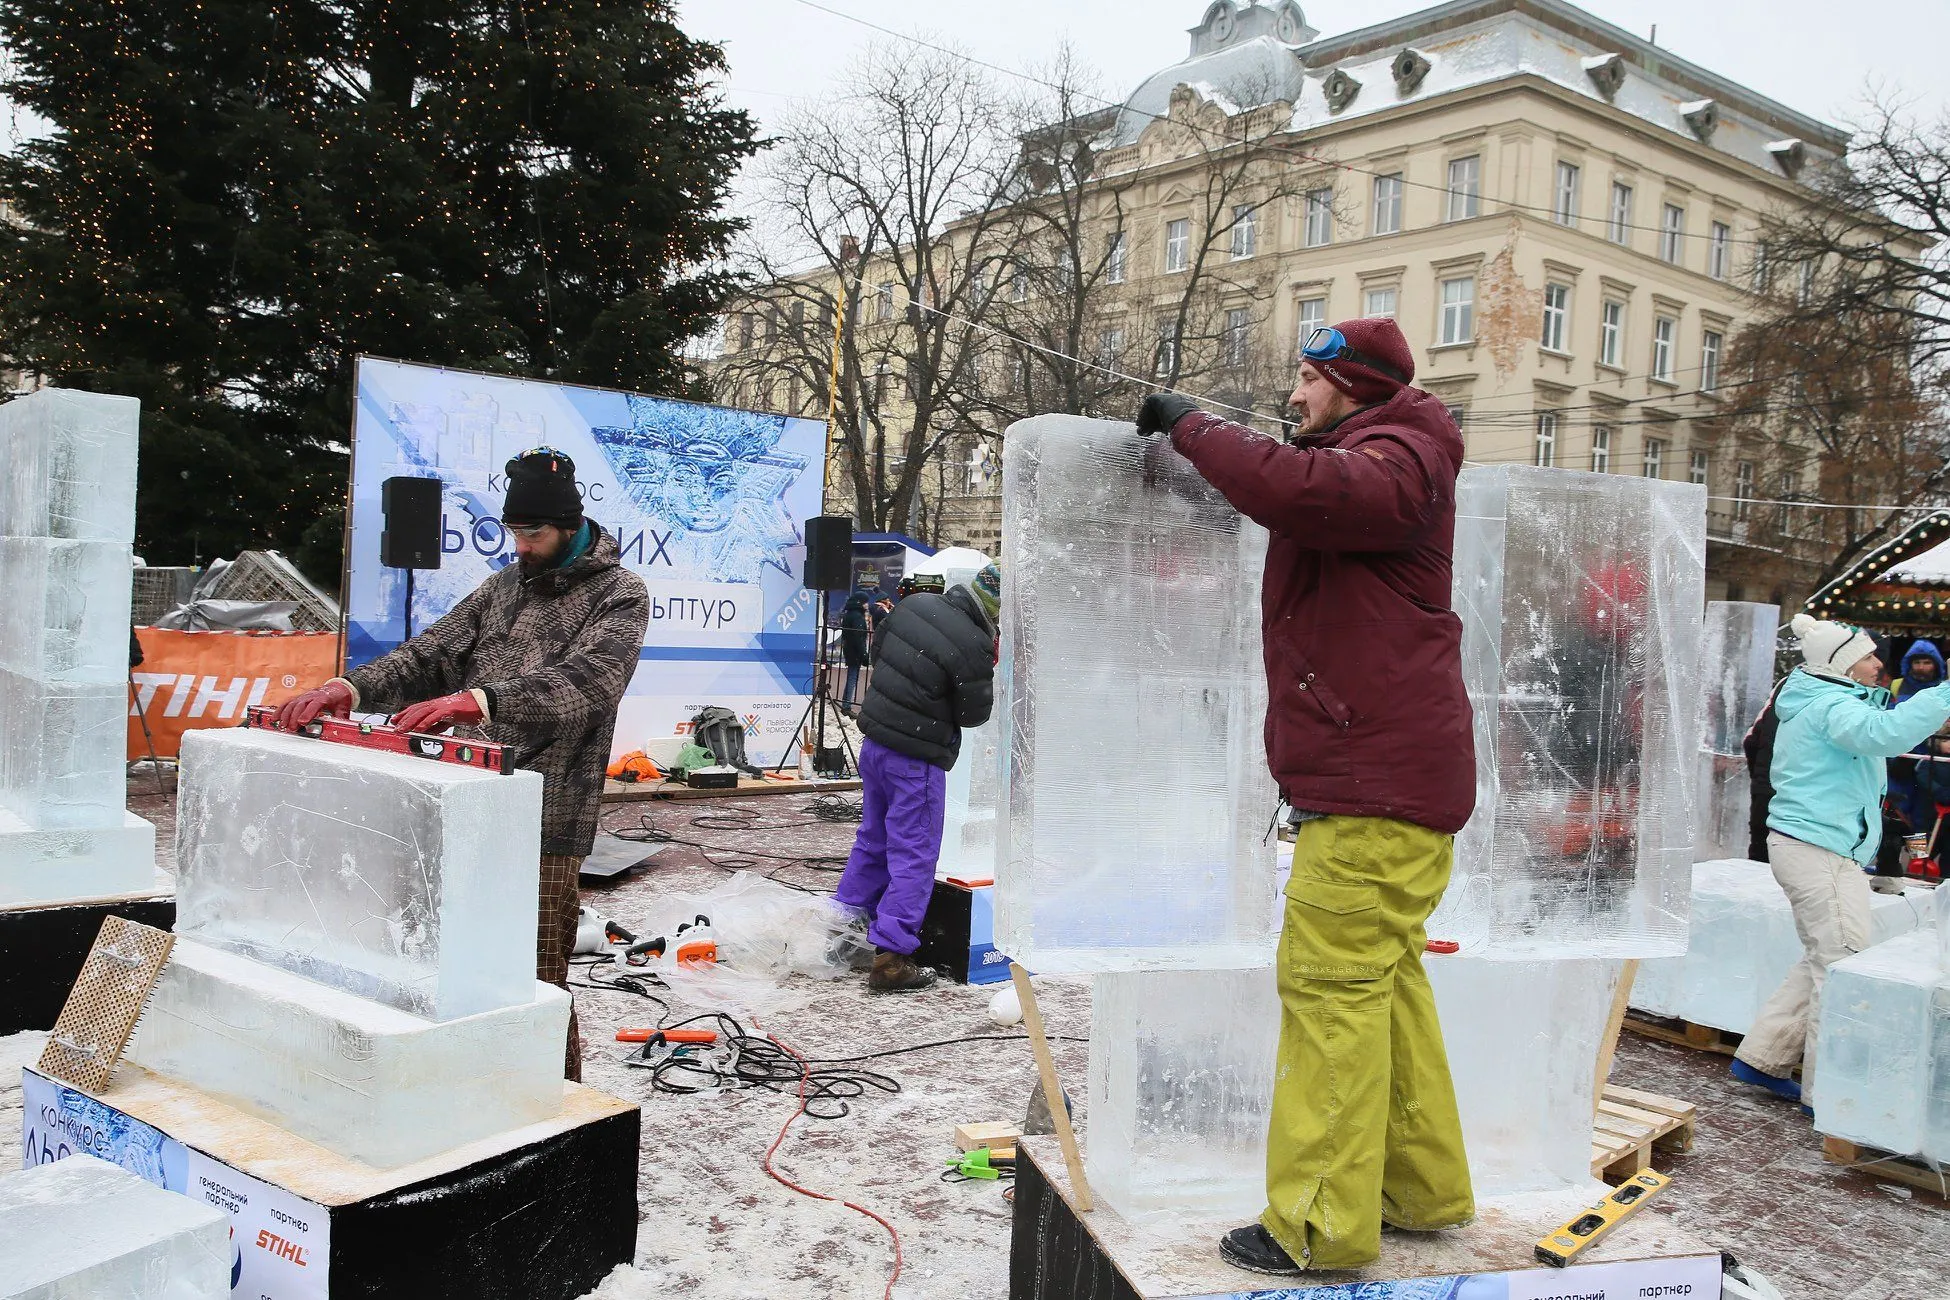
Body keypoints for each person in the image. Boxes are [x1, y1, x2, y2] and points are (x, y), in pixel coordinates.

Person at [1135, 316, 1474, 1276]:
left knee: (1330, 997)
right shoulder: (1392, 449)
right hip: (1389, 784)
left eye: (1308, 381)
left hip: (1373, 790)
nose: (1293, 398)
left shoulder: (1400, 453)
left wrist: (1194, 428)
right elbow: (1303, 483)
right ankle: (1422, 1190)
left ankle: (1317, 1226)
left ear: (1352, 385)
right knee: (1385, 987)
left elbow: (1308, 490)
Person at [276, 449, 649, 1081]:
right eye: (515, 534)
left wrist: (477, 701)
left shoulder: (619, 593)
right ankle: (462, 1093)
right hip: (463, 799)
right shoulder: (503, 587)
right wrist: (353, 689)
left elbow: (588, 684)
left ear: (569, 524)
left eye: (534, 534)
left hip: (546, 818)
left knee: (533, 978)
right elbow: (429, 653)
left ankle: (555, 1107)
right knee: (444, 959)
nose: (523, 547)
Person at [1729, 614, 1950, 1105]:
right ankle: (1828, 1094)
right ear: (1844, 664)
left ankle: (1762, 1058)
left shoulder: (1823, 700)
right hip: (1818, 851)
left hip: (1818, 847)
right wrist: (1944, 695)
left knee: (1824, 956)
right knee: (1842, 964)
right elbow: (1885, 735)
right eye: (1870, 657)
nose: (1879, 665)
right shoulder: (1830, 707)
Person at [836, 562, 999, 992]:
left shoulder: (915, 605)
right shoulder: (975, 642)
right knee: (914, 853)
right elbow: (974, 713)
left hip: (875, 745)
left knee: (873, 838)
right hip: (916, 758)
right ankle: (891, 957)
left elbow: (880, 653)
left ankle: (842, 934)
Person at [838, 585, 874, 713]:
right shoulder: (857, 616)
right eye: (865, 602)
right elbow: (858, 637)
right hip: (854, 652)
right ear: (860, 602)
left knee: (851, 677)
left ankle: (845, 703)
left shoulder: (850, 614)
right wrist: (864, 654)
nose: (867, 605)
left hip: (849, 650)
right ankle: (847, 705)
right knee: (853, 678)